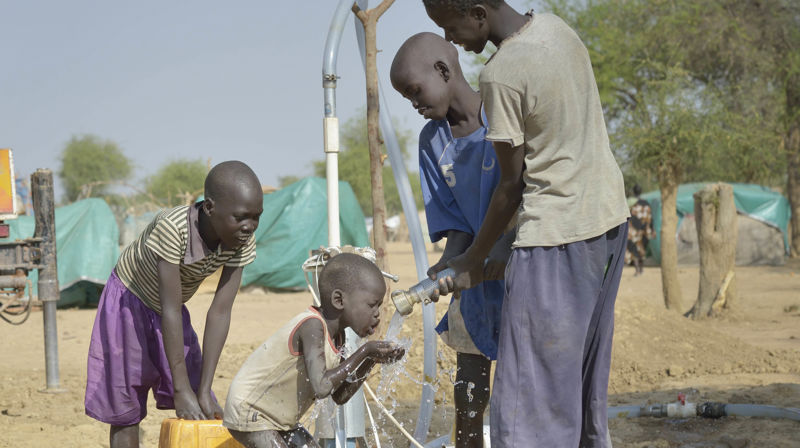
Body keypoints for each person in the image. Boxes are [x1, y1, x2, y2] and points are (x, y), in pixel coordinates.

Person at [422, 2, 631, 447]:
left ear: (477, 13)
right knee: (579, 385)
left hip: (556, 238)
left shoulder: (500, 74)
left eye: (450, 26)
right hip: (608, 221)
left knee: (528, 406)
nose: (451, 37)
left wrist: (474, 258)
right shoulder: (558, 29)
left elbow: (511, 185)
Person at [84, 161, 264, 448]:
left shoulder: (242, 241)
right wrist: (179, 390)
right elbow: (168, 308)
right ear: (209, 208)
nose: (250, 226)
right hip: (128, 302)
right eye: (241, 217)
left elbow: (220, 311)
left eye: (256, 217)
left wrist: (203, 389)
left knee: (200, 397)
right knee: (126, 406)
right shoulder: (173, 228)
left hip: (170, 307)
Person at [390, 32, 514, 448]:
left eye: (415, 90)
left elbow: (524, 188)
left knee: (519, 385)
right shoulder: (433, 142)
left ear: (443, 71)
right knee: (468, 391)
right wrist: (451, 260)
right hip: (474, 276)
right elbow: (455, 219)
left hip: (519, 268)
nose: (414, 104)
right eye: (406, 97)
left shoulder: (503, 114)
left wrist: (499, 249)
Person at [222, 253, 405, 448]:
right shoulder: (312, 326)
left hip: (280, 420)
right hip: (251, 412)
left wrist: (371, 360)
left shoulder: (338, 336)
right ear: (339, 300)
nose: (377, 313)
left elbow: (340, 396)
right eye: (372, 305)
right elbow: (322, 387)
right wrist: (366, 351)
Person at [626, 184, 655, 276]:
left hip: (633, 231)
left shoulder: (630, 201)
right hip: (644, 230)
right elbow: (650, 217)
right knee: (642, 249)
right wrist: (652, 229)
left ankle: (638, 269)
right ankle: (641, 269)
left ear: (633, 191)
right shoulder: (646, 203)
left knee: (634, 249)